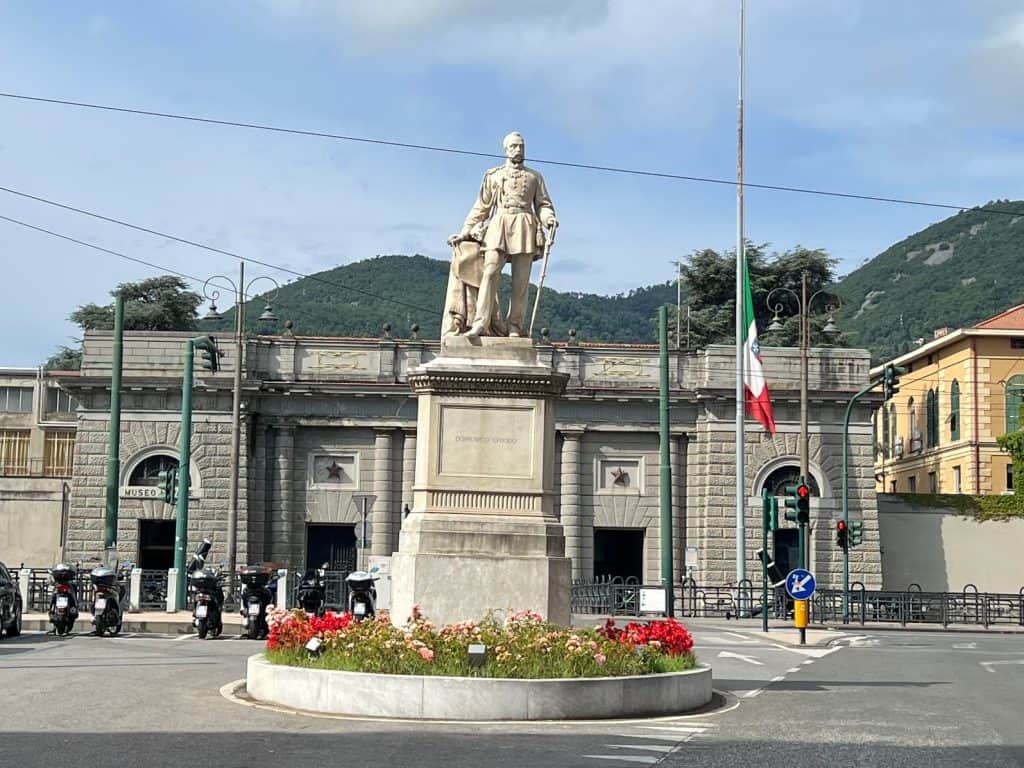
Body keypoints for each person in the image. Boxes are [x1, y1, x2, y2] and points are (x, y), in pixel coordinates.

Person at [447, 132, 558, 337]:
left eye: (521, 146)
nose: (518, 150)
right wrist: (464, 231)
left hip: (525, 224)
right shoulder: (494, 175)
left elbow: (543, 204)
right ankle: (480, 322)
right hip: (499, 224)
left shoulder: (534, 177)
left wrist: (549, 218)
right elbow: (481, 208)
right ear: (506, 150)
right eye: (514, 146)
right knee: (489, 273)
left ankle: (515, 325)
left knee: (521, 281)